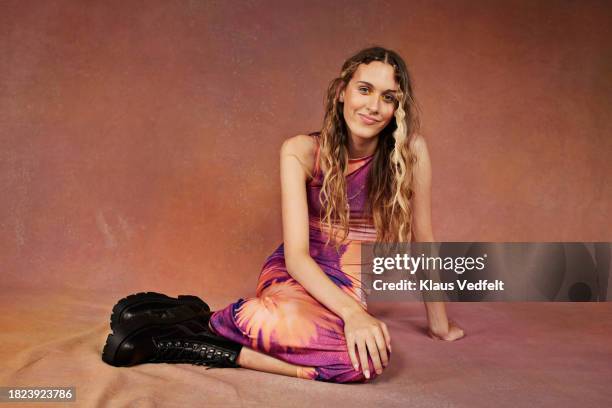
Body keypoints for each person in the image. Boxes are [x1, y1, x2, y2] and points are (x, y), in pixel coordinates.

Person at [102, 46, 465, 383]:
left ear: (397, 109)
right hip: (297, 273)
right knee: (331, 345)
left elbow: (424, 239)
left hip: (349, 285)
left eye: (389, 98)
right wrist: (353, 316)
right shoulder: (301, 151)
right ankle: (204, 325)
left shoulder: (411, 151)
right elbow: (296, 257)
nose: (373, 106)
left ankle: (197, 333)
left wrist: (439, 324)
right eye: (365, 90)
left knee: (362, 362)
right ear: (342, 91)